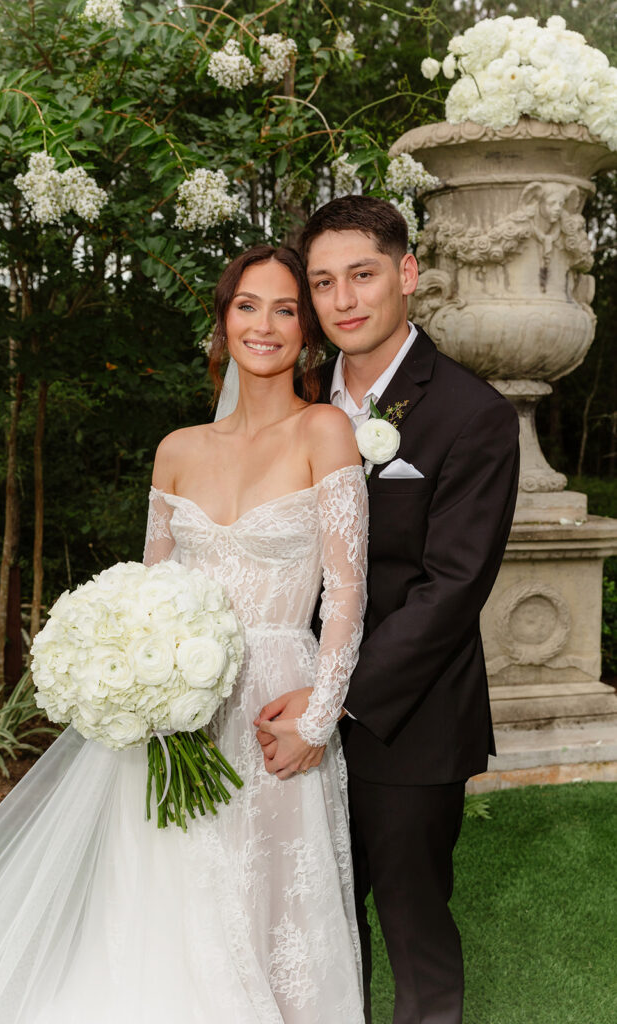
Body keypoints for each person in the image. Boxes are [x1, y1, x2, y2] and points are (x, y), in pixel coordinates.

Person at [0, 245, 368, 1023]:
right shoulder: (176, 450)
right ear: (222, 319)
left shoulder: (324, 430)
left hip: (277, 700)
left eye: (284, 308)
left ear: (306, 330)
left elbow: (346, 591)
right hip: (178, 712)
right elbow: (148, 590)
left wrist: (318, 713)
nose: (262, 325)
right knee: (171, 899)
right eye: (246, 305)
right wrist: (142, 679)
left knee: (269, 902)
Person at [255, 197, 520, 1024]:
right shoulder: (296, 401)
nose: (342, 301)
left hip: (405, 722)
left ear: (405, 275)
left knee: (411, 934)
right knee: (311, 926)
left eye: (361, 275)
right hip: (286, 709)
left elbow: (451, 588)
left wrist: (332, 702)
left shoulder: (471, 413)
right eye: (324, 282)